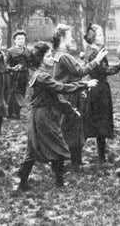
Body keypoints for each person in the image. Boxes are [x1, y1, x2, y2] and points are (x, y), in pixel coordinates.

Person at [16, 42, 99, 191]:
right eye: (48, 56)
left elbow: (57, 97)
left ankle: (24, 180)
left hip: (41, 115)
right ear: (40, 58)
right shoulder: (41, 76)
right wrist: (84, 85)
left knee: (34, 148)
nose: (52, 59)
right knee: (57, 145)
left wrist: (71, 110)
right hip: (43, 117)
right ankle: (58, 182)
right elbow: (61, 88)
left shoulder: (41, 74)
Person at [51, 24, 108, 169]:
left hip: (69, 93)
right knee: (71, 127)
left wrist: (82, 84)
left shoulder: (61, 55)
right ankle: (68, 161)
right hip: (68, 95)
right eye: (70, 37)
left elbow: (73, 73)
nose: (72, 40)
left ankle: (75, 160)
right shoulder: (64, 56)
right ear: (63, 38)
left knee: (72, 127)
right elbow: (80, 71)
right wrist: (97, 60)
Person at [82, 23, 120, 163]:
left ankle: (87, 155)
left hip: (94, 87)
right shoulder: (94, 52)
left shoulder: (92, 50)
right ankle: (100, 157)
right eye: (99, 35)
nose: (102, 37)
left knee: (93, 121)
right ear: (93, 37)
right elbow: (104, 70)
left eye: (102, 34)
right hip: (99, 89)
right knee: (100, 122)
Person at [6, 30, 33, 120]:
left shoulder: (28, 51)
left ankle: (17, 113)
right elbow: (6, 64)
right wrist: (11, 68)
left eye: (22, 39)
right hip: (13, 76)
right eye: (19, 39)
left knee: (21, 93)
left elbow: (31, 63)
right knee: (12, 93)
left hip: (23, 76)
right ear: (15, 40)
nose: (21, 40)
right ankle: (10, 113)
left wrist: (26, 68)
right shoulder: (10, 51)